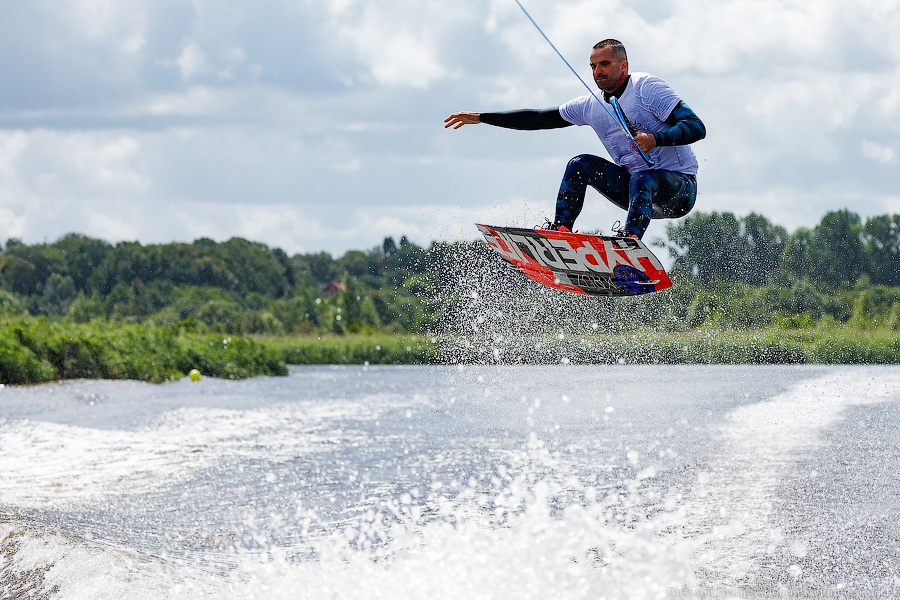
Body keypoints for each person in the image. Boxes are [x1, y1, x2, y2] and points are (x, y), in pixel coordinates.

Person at [444, 39, 706, 239]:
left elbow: (696, 127)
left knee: (643, 178)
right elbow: (537, 118)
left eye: (605, 64)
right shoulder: (590, 105)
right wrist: (482, 117)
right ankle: (562, 233)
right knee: (579, 164)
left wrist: (655, 139)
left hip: (679, 190)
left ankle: (629, 243)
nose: (597, 71)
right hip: (635, 194)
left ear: (623, 65)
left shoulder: (647, 87)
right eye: (593, 66)